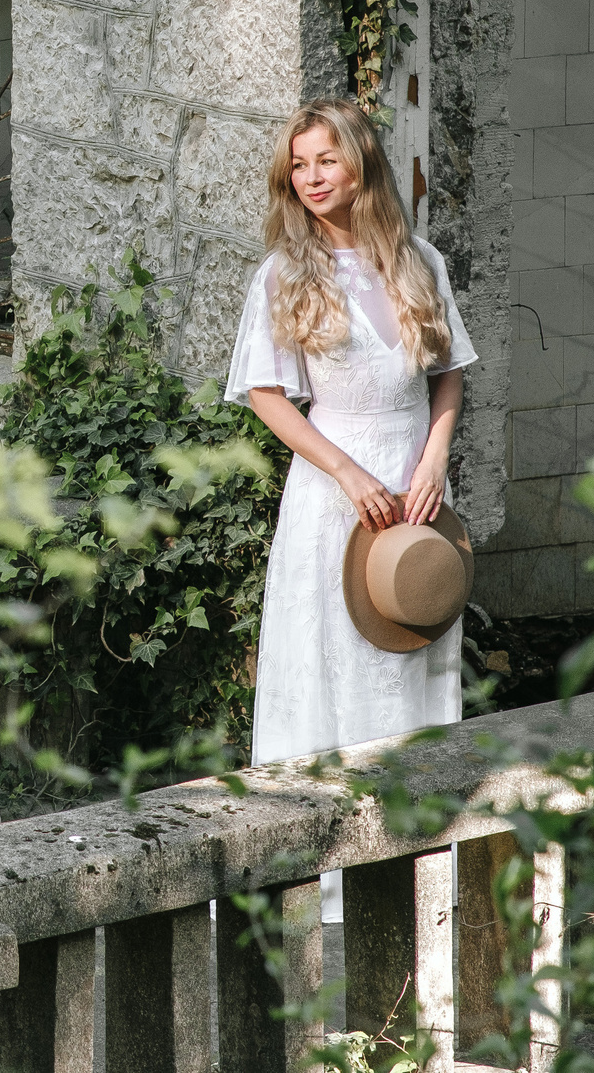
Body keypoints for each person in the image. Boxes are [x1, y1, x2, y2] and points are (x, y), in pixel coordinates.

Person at [226, 96, 476, 807]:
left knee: (412, 643)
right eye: (298, 164)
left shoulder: (419, 261)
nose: (310, 176)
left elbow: (449, 372)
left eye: (325, 159)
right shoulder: (283, 272)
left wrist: (433, 462)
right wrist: (344, 469)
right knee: (331, 660)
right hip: (332, 490)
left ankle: (420, 840)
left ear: (360, 161)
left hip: (415, 481)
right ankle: (325, 854)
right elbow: (267, 393)